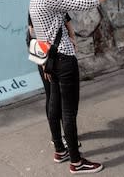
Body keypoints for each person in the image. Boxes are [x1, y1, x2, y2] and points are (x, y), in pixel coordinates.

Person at [26, 0, 124, 174]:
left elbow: (40, 33)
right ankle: (76, 162)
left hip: (51, 60)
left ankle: (61, 150)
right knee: (68, 111)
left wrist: (46, 64)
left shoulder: (35, 0)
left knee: (55, 104)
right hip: (63, 60)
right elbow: (84, 4)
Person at [27, 12, 81, 163]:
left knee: (58, 101)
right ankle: (58, 140)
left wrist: (72, 38)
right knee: (54, 99)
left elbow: (67, 20)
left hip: (54, 57)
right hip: (47, 58)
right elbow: (33, 33)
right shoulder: (39, 3)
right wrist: (45, 63)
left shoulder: (54, 1)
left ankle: (64, 140)